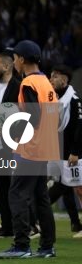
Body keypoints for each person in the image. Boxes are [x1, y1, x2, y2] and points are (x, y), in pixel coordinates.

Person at [0, 40, 59, 258]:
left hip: (31, 148)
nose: (14, 62)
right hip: (46, 147)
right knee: (40, 196)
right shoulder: (46, 83)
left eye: (14, 59)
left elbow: (32, 116)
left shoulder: (28, 83)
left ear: (21, 60)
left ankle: (22, 245)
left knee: (16, 193)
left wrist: (13, 131)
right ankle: (47, 246)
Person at [0, 51, 21, 238]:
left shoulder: (18, 87)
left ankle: (26, 224)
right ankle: (7, 227)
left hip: (13, 144)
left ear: (7, 67)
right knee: (0, 186)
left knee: (15, 186)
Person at [46, 64, 82, 236]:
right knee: (67, 188)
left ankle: (37, 214)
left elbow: (79, 128)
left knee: (76, 187)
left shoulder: (73, 100)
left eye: (55, 76)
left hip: (72, 154)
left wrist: (75, 152)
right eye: (51, 76)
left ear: (65, 79)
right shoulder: (53, 99)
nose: (51, 79)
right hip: (57, 151)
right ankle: (76, 223)